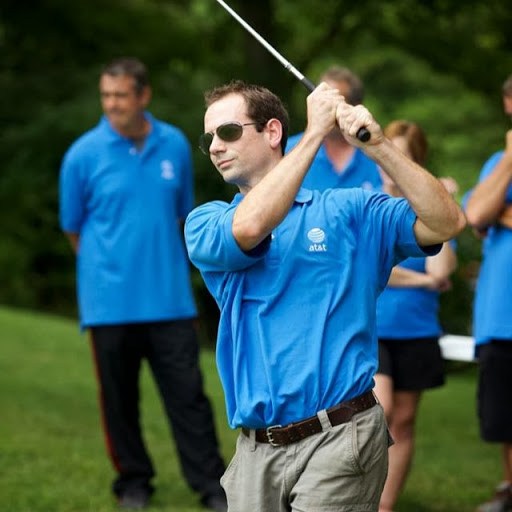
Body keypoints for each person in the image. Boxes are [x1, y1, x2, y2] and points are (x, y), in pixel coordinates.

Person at [184, 79, 465, 511]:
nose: (216, 147)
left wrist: (380, 147)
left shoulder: (351, 211)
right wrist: (316, 133)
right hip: (256, 450)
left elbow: (447, 223)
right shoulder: (206, 221)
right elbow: (250, 227)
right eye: (209, 139)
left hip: (341, 434)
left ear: (273, 132)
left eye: (228, 132)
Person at [58, 57, 227, 511]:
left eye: (121, 95)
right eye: (106, 95)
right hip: (108, 305)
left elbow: (180, 216)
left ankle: (213, 486)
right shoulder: (81, 154)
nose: (112, 104)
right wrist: (107, 271)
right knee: (119, 402)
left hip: (170, 300)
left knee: (189, 399)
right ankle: (134, 482)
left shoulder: (173, 144)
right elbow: (73, 228)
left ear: (142, 96)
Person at [373, 121, 458, 512]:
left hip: (417, 329)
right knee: (381, 410)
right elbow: (378, 270)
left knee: (403, 421)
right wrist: (420, 282)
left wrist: (435, 198)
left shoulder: (432, 211)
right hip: (371, 329)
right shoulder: (367, 206)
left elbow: (441, 271)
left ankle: (385, 506)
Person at [464, 74, 512, 512]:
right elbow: (476, 213)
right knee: (505, 418)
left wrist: (504, 214)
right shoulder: (499, 161)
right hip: (501, 315)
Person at [285, 65, 382, 191]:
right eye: (322, 101)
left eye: (334, 101)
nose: (326, 108)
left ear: (355, 105)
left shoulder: (378, 152)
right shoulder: (288, 151)